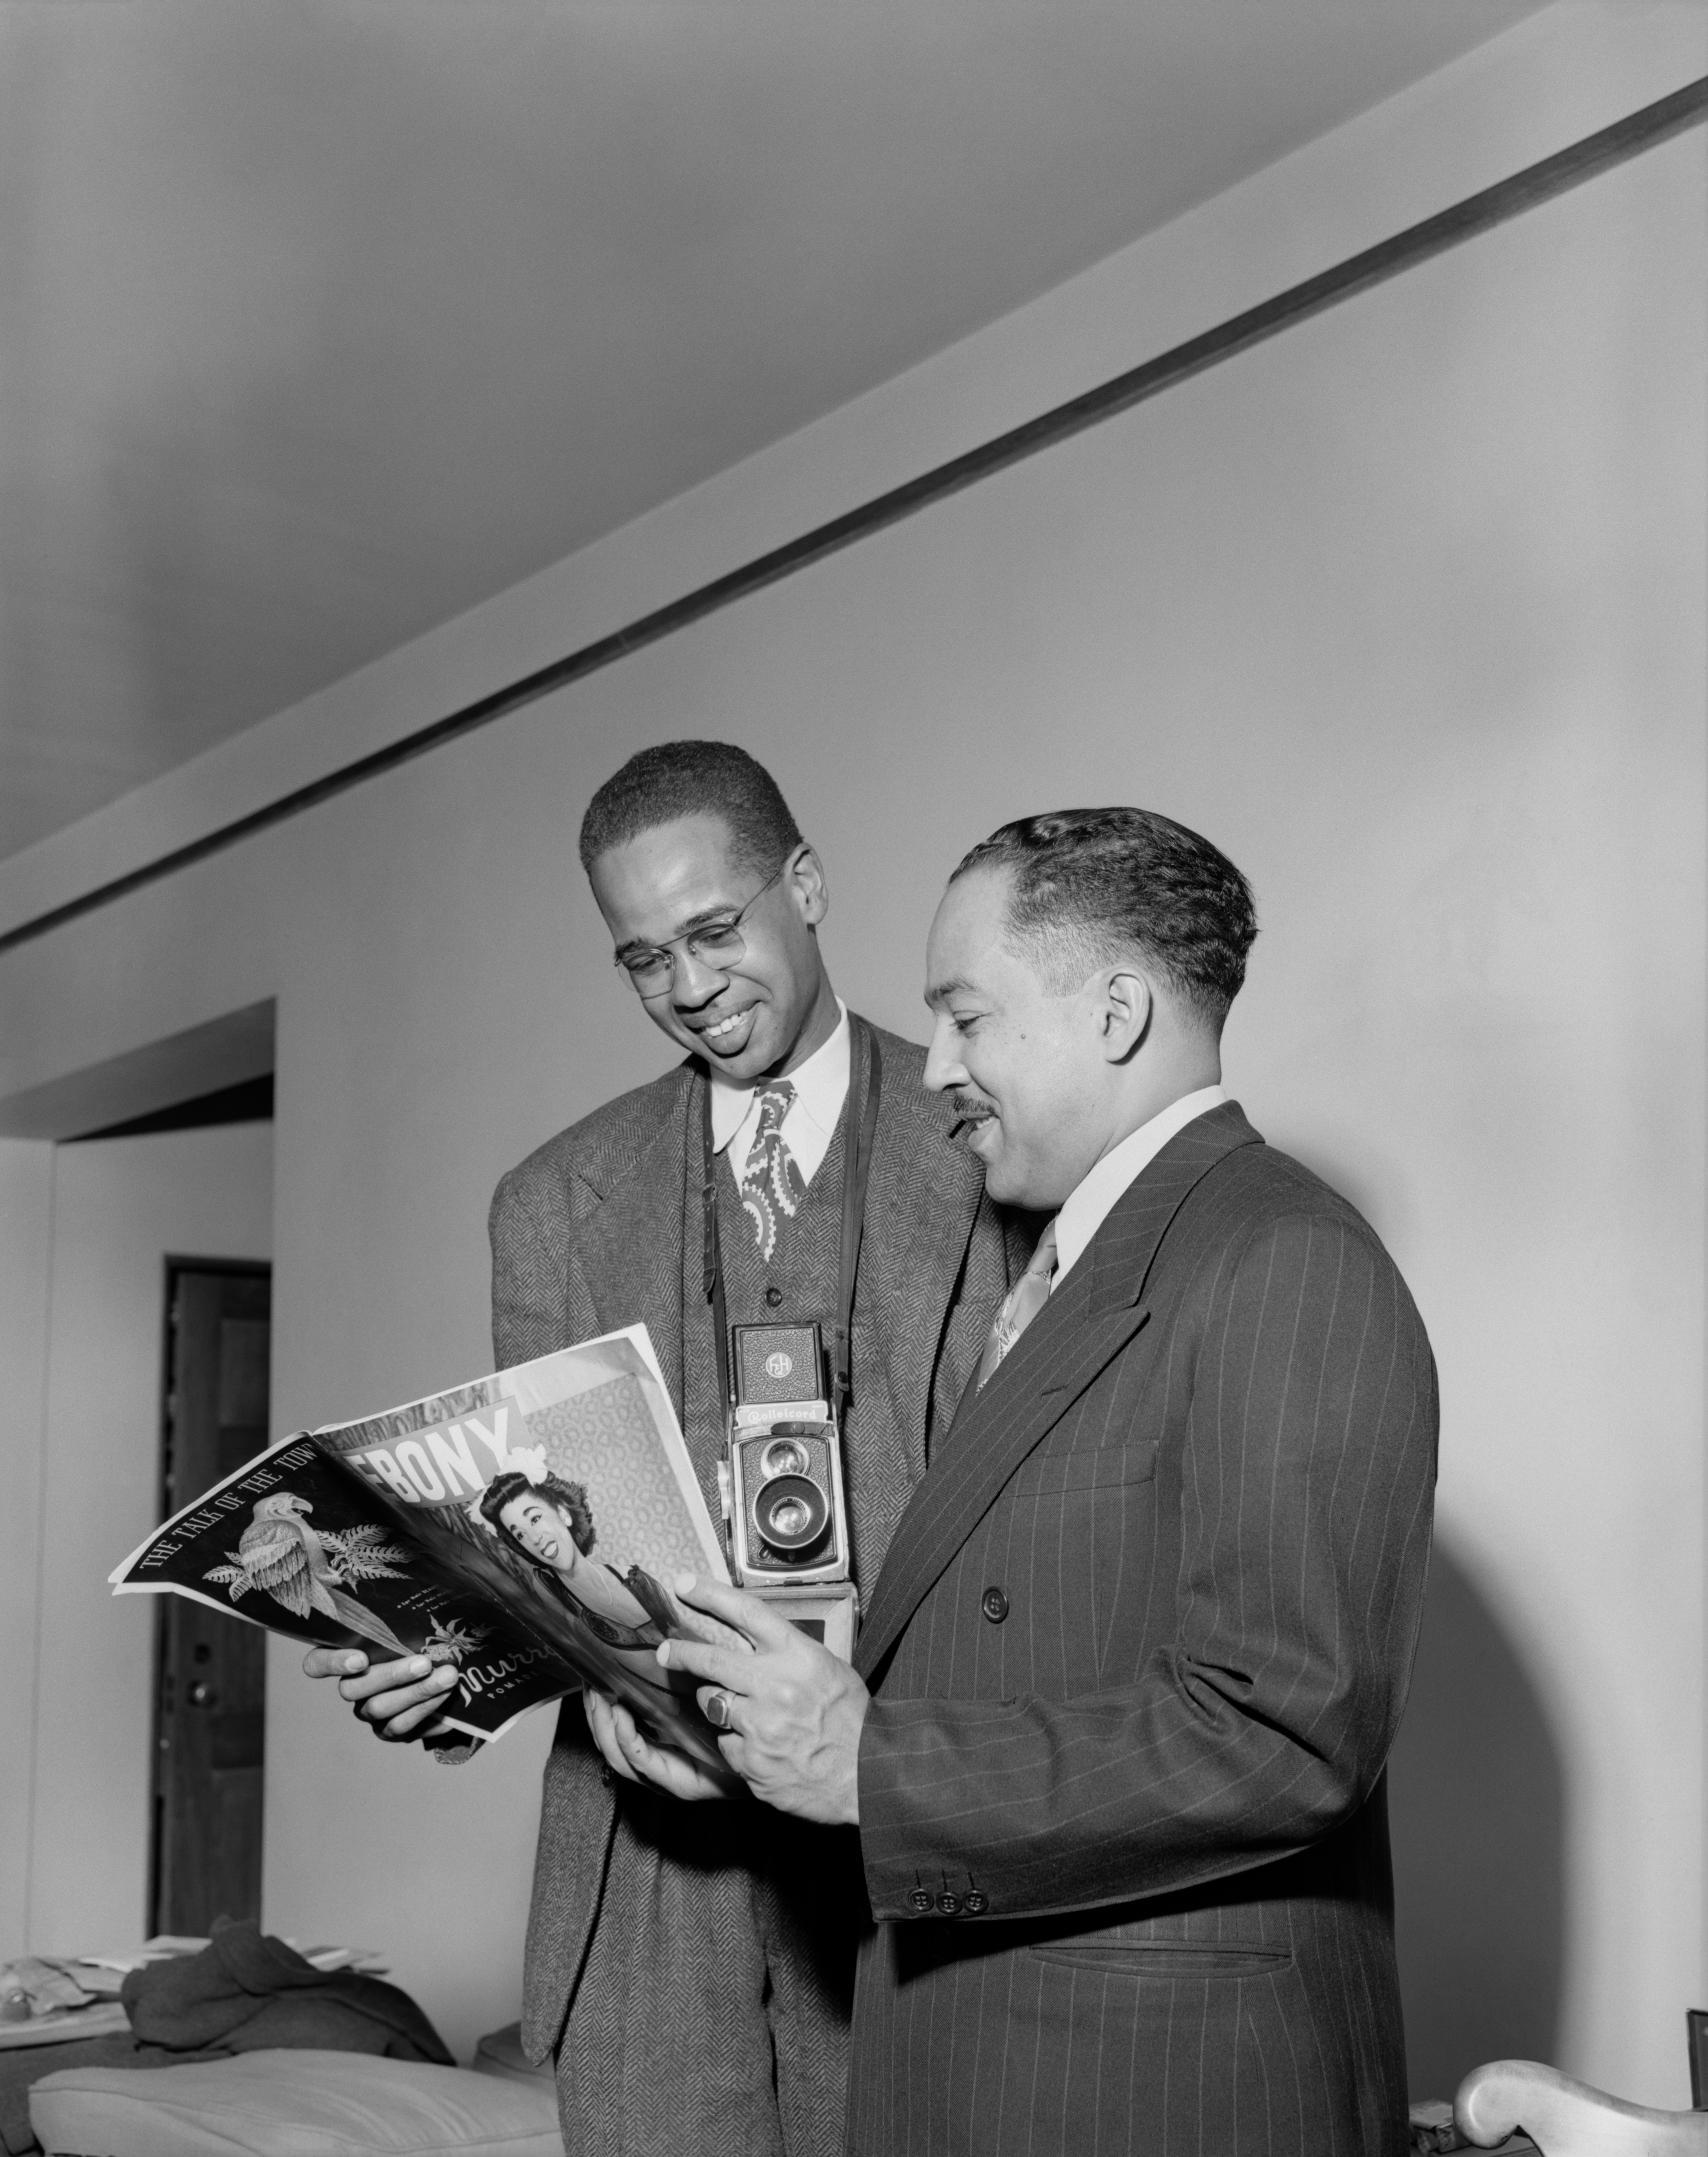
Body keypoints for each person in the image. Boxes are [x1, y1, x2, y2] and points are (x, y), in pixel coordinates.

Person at [656, 806, 1439, 2156]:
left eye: (967, 1016)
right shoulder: (1083, 1263)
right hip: (995, 2062)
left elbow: (1286, 1737)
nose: (937, 1066)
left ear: (1119, 1012)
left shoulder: (1283, 1260)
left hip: (1153, 2094)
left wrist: (870, 1762)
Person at [304, 741, 1020, 2157]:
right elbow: (538, 1530)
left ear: (804, 886)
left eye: (714, 932)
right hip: (647, 1891)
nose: (690, 991)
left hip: (911, 1880)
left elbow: (1049, 1541)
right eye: (643, 961)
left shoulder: (997, 1146)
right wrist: (450, 1670)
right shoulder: (553, 1203)